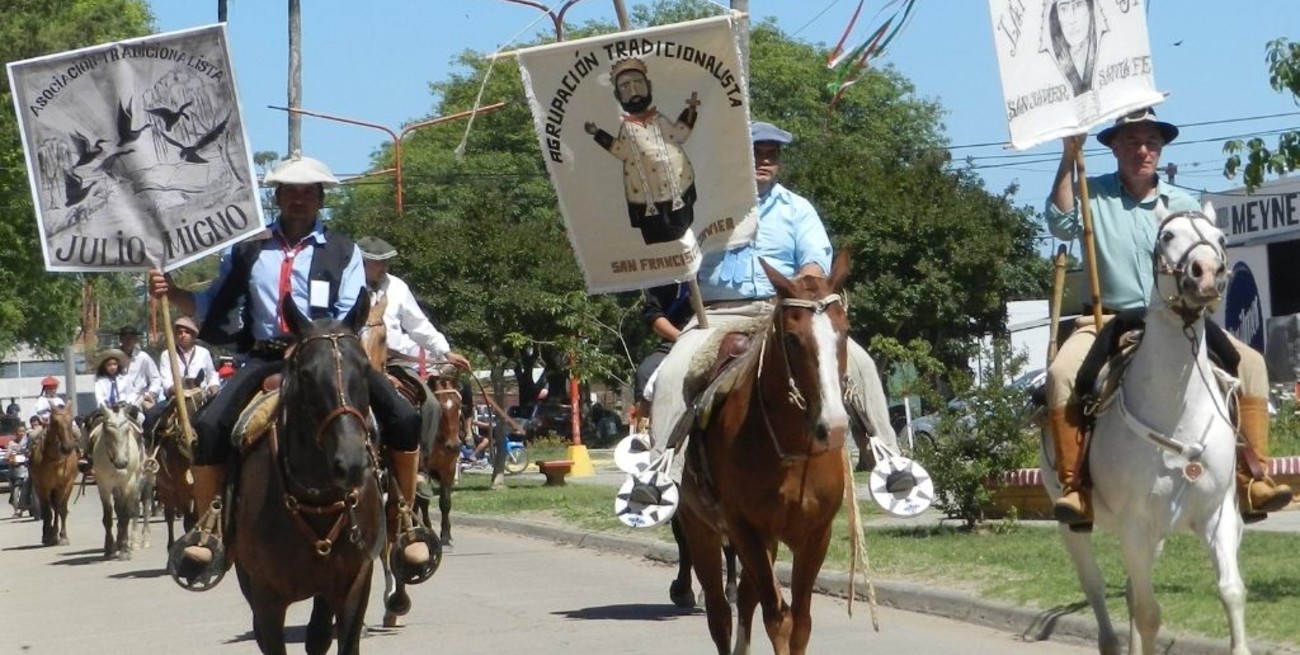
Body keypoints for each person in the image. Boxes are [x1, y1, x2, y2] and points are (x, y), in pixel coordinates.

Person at [147, 153, 431, 580]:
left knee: (405, 416)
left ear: (320, 199)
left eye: (308, 193)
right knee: (208, 427)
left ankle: (404, 521)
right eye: (290, 192)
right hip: (262, 357)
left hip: (329, 356)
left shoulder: (344, 250)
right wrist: (172, 293)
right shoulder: (247, 248)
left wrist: (312, 347)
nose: (299, 200)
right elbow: (213, 307)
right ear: (277, 197)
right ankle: (208, 530)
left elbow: (349, 309)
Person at [1045, 107, 1292, 528]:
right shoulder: (1094, 192)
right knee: (1062, 376)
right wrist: (1069, 157)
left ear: (1160, 150)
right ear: (1115, 148)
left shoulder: (1184, 203)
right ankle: (1075, 488)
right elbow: (1060, 222)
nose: (1143, 150)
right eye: (1133, 142)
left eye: (1152, 143)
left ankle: (1254, 479)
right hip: (1108, 319)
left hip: (1180, 319)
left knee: (1250, 364)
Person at [643, 120, 900, 503]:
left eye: (772, 155)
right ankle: (661, 476)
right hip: (717, 312)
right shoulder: (700, 205)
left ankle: (891, 464)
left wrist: (802, 283)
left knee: (860, 364)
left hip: (785, 308)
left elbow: (816, 260)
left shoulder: (797, 208)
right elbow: (674, 254)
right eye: (756, 155)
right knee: (675, 371)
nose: (765, 162)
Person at [584, 57, 699, 245]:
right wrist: (598, 134)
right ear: (617, 95)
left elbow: (680, 134)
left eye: (638, 83)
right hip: (646, 195)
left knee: (685, 228)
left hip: (677, 186)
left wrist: (690, 111)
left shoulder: (659, 119)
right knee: (655, 233)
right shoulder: (627, 129)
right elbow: (621, 151)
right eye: (625, 87)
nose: (634, 91)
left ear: (649, 86)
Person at [355, 235, 472, 376]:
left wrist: (446, 353)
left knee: (429, 399)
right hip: (353, 361)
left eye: (387, 262)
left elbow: (418, 325)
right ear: (362, 262)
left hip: (393, 363)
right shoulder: (346, 286)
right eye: (378, 262)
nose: (384, 267)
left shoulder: (398, 287)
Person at [142, 315, 220, 442]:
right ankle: (150, 450)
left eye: (187, 332)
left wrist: (214, 387)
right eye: (179, 332)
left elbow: (212, 375)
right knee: (151, 416)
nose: (183, 335)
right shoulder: (167, 354)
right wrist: (178, 390)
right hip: (176, 398)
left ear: (194, 335)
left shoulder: (203, 353)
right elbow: (166, 380)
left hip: (201, 397)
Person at [634, 281, 692, 426]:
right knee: (645, 372)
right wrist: (681, 337)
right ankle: (647, 432)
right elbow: (653, 313)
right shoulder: (668, 276)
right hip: (676, 340)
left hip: (721, 330)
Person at [117, 325, 162, 411]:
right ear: (121, 339)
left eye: (131, 338)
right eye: (125, 338)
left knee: (152, 418)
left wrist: (150, 394)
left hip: (140, 400)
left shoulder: (143, 357)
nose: (128, 341)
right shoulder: (114, 358)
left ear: (136, 340)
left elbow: (156, 378)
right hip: (118, 401)